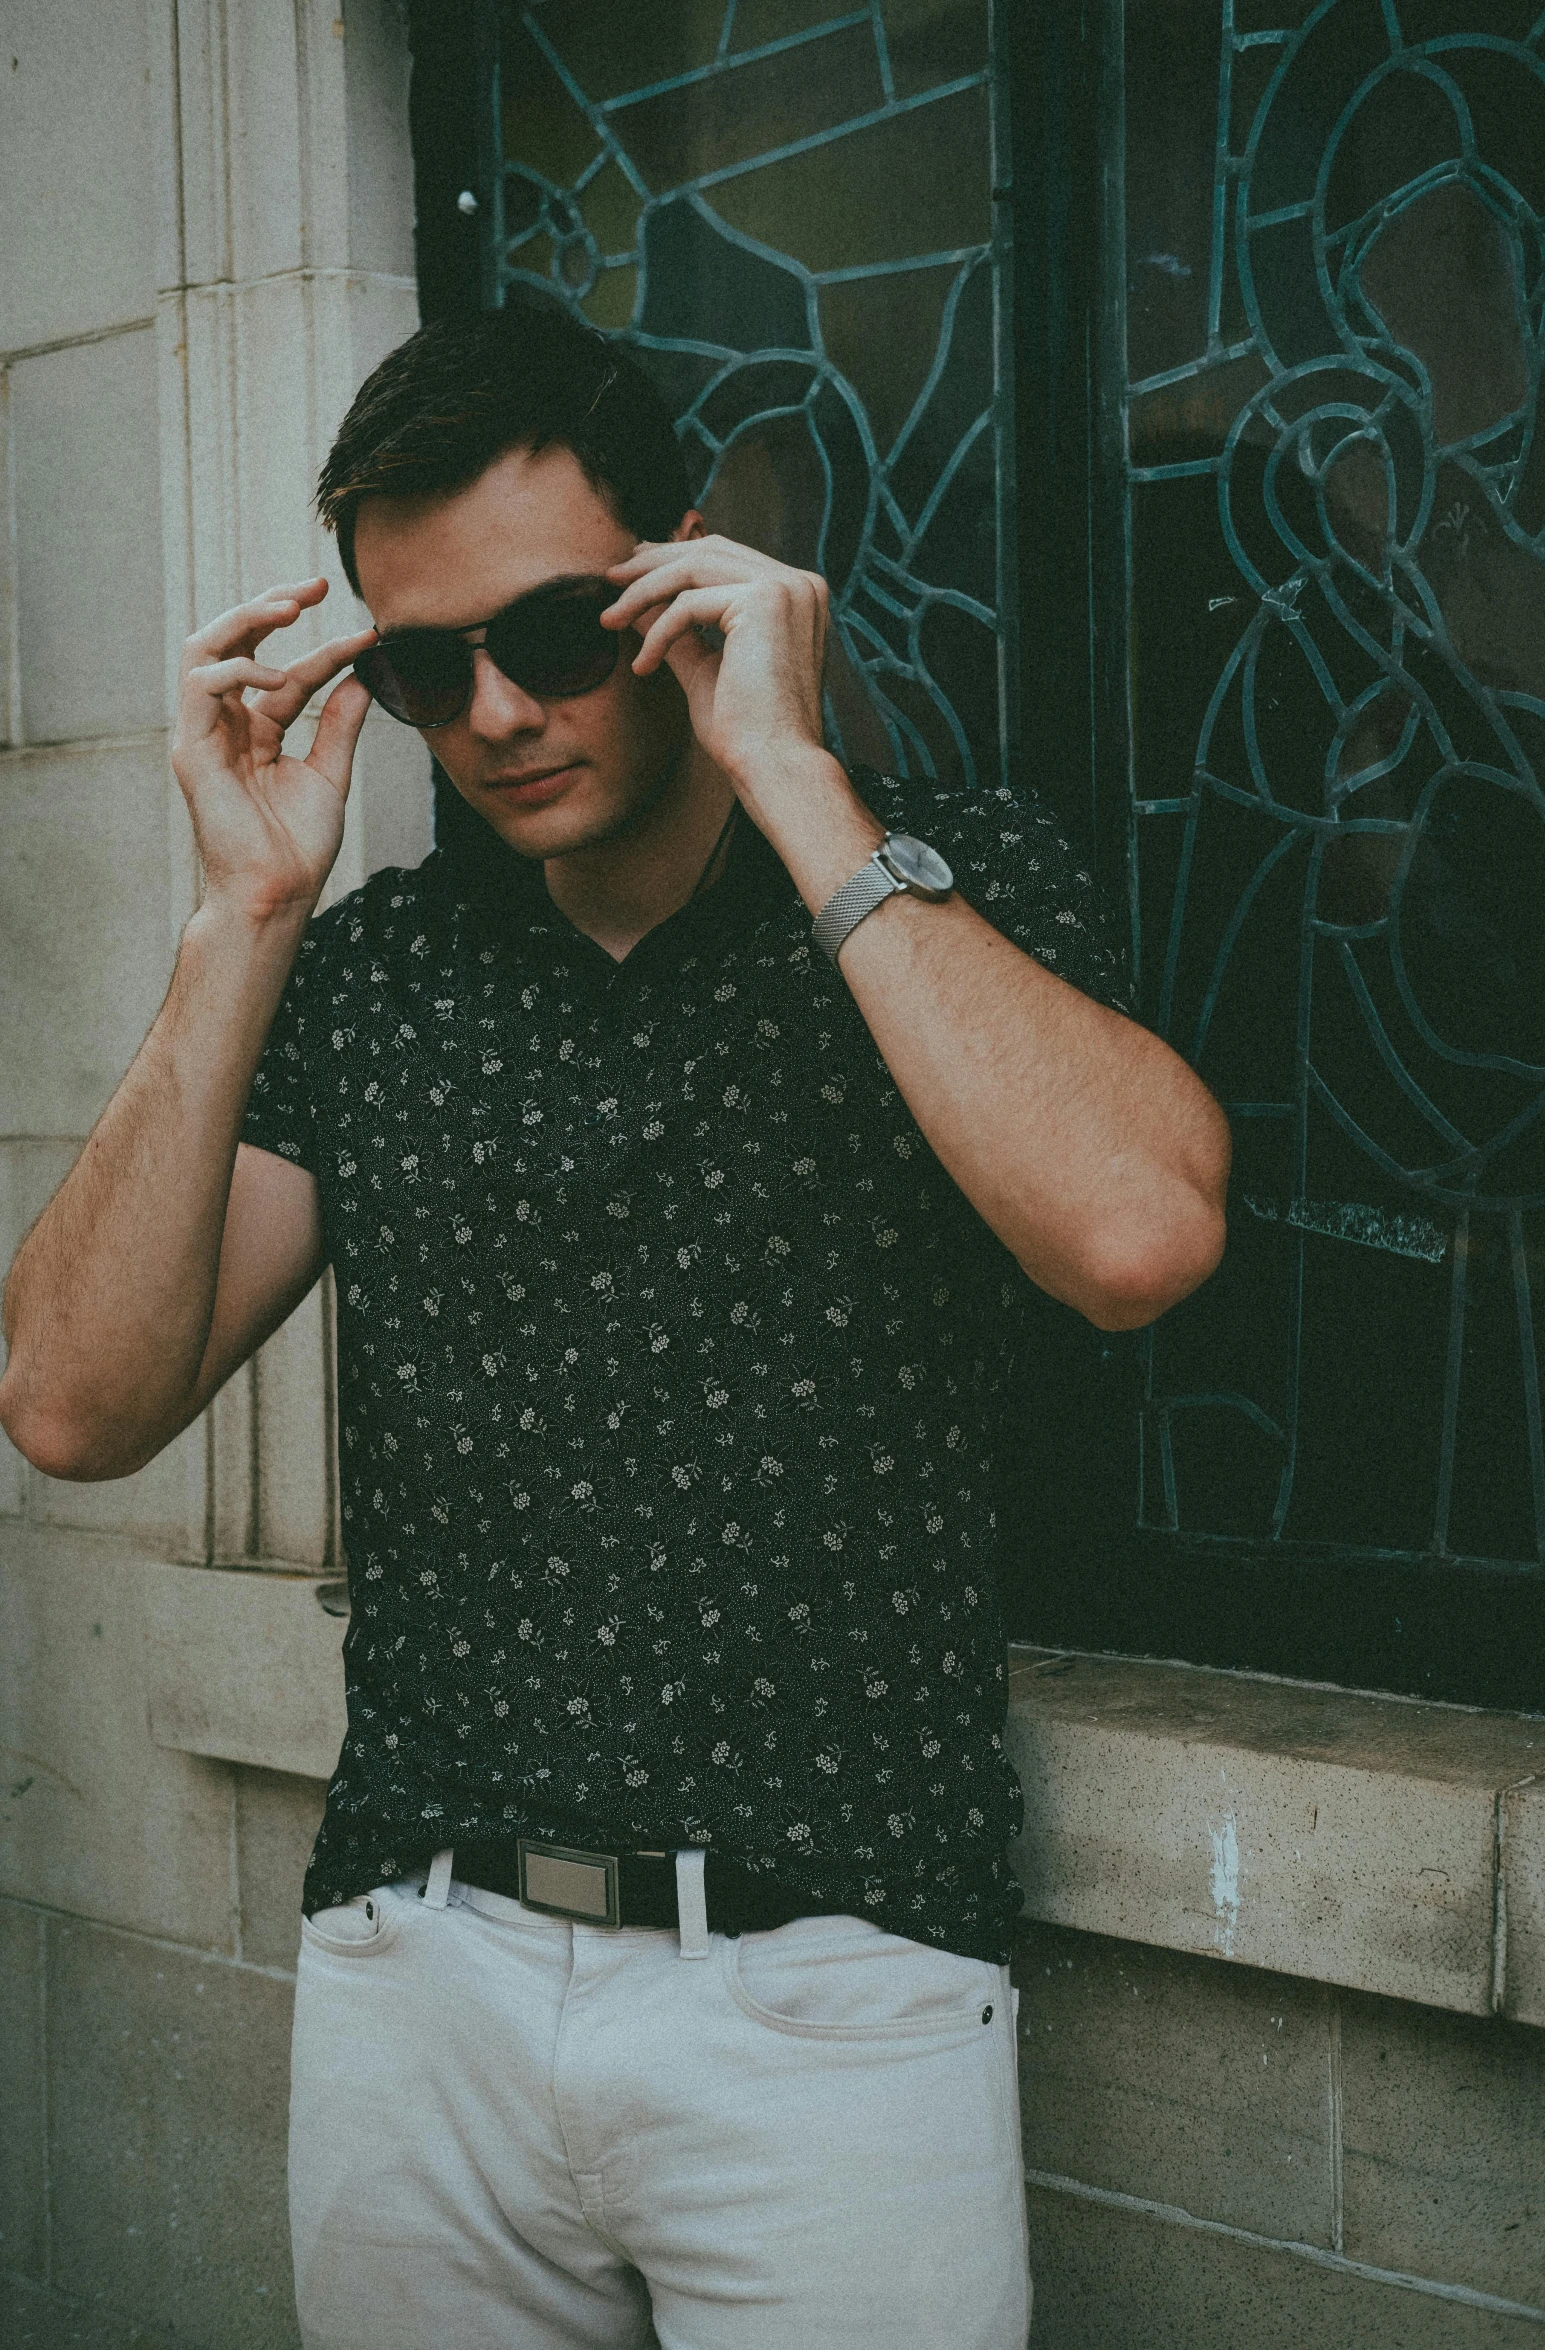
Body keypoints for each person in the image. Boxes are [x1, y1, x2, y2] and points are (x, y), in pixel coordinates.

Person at [0, 304, 1229, 2349]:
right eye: (421, 667)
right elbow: (68, 1400)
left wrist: (797, 777)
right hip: (427, 1964)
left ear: (684, 575)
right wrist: (241, 914)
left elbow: (1135, 1234)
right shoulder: (374, 982)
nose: (492, 710)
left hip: (839, 1985)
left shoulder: (944, 891)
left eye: (557, 630)